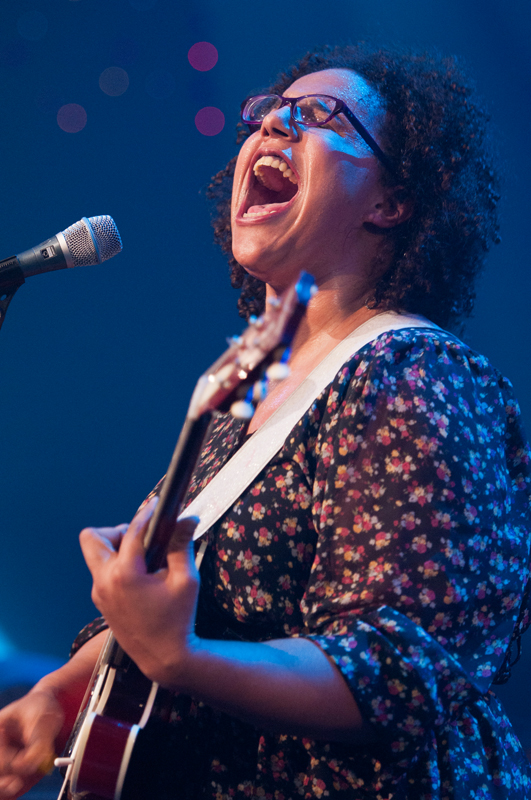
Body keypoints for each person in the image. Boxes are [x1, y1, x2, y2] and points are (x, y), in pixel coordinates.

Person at [0, 43, 530, 800]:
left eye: (316, 117)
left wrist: (180, 658)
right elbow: (175, 618)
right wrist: (62, 693)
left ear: (390, 202)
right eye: (265, 116)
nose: (273, 129)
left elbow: (402, 671)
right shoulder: (243, 399)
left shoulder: (411, 374)